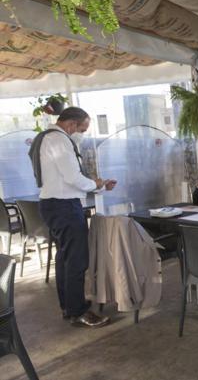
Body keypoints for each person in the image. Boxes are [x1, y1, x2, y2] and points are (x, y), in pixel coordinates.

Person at [28, 107, 117, 328]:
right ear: (71, 125)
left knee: (65, 258)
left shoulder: (45, 138)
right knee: (77, 259)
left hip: (56, 204)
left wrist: (98, 186)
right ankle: (78, 311)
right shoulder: (59, 140)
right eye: (83, 129)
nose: (83, 134)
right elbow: (72, 177)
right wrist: (95, 184)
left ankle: (69, 305)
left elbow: (67, 178)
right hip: (63, 206)